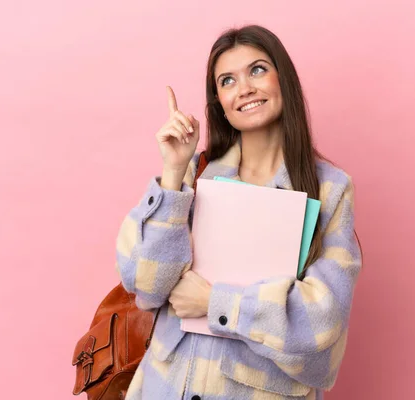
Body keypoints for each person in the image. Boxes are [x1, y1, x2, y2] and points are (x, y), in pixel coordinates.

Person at [115, 24, 362, 400]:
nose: (244, 88)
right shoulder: (193, 176)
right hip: (164, 388)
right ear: (219, 102)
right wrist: (173, 173)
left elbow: (321, 323)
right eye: (227, 80)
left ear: (285, 80)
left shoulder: (330, 188)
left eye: (258, 70)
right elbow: (146, 287)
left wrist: (216, 302)